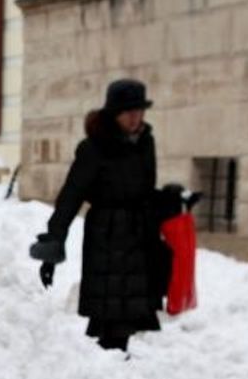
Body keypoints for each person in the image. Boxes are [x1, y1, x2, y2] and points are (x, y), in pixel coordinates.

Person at [31, 79, 167, 352]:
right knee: (111, 315)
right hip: (108, 238)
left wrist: (171, 200)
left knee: (131, 312)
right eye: (129, 112)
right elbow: (70, 197)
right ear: (114, 113)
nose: (135, 117)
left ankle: (116, 365)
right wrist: (53, 245)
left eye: (139, 111)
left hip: (139, 237)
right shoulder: (94, 148)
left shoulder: (145, 142)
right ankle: (107, 368)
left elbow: (145, 190)